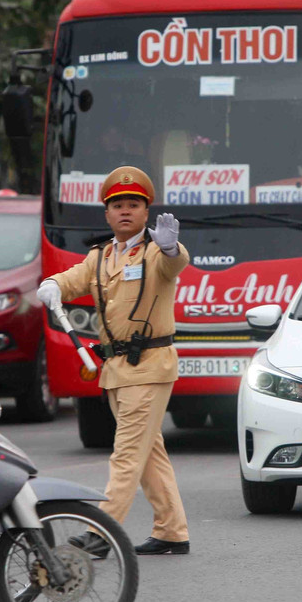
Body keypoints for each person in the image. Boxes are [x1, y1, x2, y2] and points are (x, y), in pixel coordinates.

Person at [37, 166, 190, 556]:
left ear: (146, 211)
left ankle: (103, 532)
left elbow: (173, 265)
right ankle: (172, 530)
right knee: (148, 453)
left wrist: (172, 247)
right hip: (117, 370)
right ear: (106, 213)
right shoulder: (101, 255)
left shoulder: (156, 250)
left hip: (150, 364)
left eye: (134, 205)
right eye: (117, 205)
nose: (125, 211)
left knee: (125, 453)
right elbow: (73, 278)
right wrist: (54, 285)